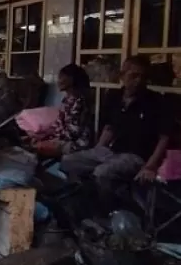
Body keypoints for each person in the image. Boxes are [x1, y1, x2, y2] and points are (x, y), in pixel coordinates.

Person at [60, 56, 172, 203]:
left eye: (143, 77)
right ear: (122, 76)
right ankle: (84, 201)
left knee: (102, 172)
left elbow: (164, 137)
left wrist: (150, 165)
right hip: (111, 151)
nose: (138, 80)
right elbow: (109, 128)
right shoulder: (114, 96)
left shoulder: (155, 101)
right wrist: (98, 150)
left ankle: (113, 209)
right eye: (134, 76)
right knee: (68, 161)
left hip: (135, 156)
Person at [31, 64, 93, 158]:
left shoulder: (79, 102)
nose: (58, 81)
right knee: (32, 142)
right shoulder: (67, 100)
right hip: (65, 140)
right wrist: (43, 135)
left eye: (61, 77)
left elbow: (72, 133)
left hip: (77, 144)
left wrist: (50, 141)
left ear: (71, 79)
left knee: (35, 148)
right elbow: (58, 124)